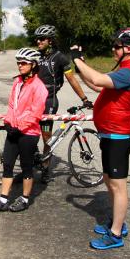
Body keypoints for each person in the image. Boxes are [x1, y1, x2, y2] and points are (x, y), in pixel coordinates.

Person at [71, 28, 130, 250]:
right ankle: (117, 222)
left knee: (117, 186)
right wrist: (80, 67)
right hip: (111, 133)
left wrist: (78, 60)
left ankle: (116, 234)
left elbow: (96, 77)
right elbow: (96, 85)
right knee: (109, 181)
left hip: (119, 135)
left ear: (129, 48)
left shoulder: (129, 72)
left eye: (116, 46)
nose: (113, 50)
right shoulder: (125, 69)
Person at [0, 48, 48, 213]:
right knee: (7, 164)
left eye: (23, 63)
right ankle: (3, 199)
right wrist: (8, 122)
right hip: (13, 130)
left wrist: (19, 127)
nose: (20, 66)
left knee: (27, 167)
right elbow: (12, 105)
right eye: (18, 63)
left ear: (33, 65)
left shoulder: (39, 87)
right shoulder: (17, 82)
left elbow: (36, 113)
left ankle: (25, 198)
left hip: (28, 133)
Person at [34, 24, 93, 184]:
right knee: (28, 132)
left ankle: (45, 167)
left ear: (50, 40)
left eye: (42, 39)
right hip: (33, 101)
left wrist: (84, 99)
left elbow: (72, 79)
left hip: (49, 102)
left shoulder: (60, 57)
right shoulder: (36, 56)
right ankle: (32, 160)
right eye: (37, 39)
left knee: (46, 136)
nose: (38, 41)